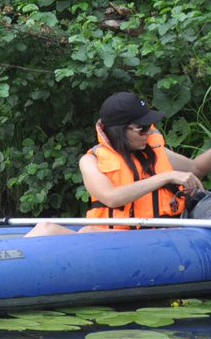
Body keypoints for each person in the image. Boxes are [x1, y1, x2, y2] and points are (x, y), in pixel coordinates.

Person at [27, 92, 211, 236]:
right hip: (117, 240)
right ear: (119, 131)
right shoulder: (91, 161)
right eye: (142, 128)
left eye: (149, 126)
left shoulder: (154, 150)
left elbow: (196, 169)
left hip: (165, 234)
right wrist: (166, 177)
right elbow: (112, 197)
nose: (148, 133)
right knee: (46, 229)